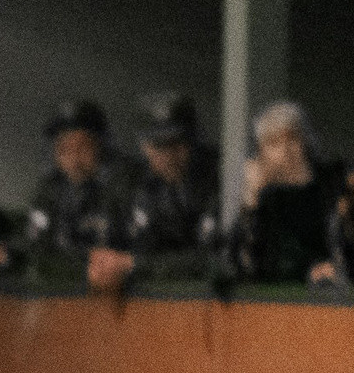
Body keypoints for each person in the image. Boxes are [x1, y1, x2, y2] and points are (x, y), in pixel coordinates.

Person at [229, 101, 354, 287]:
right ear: (260, 155)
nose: (285, 151)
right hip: (281, 309)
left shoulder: (348, 187)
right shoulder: (264, 204)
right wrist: (250, 201)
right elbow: (243, 270)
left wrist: (344, 270)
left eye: (292, 139)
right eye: (273, 143)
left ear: (306, 143)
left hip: (343, 306)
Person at [93, 93, 220, 290]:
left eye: (177, 143)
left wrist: (136, 265)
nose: (169, 156)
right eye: (159, 145)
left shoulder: (217, 177)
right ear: (145, 147)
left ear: (193, 142)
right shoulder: (130, 182)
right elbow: (108, 250)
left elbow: (213, 259)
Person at [24, 98, 133, 289]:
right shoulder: (48, 191)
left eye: (83, 146)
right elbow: (37, 253)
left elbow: (138, 251)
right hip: (61, 293)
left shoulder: (121, 187)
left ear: (101, 147)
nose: (74, 157)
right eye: (64, 148)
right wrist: (83, 262)